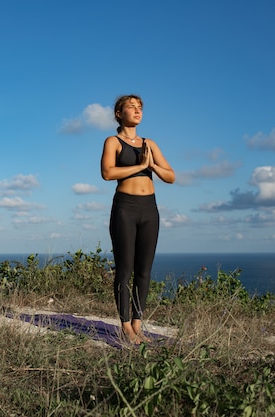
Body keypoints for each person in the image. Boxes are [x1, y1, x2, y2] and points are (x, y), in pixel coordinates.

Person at [100, 94, 175, 344]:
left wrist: (150, 165)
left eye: (140, 107)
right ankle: (125, 327)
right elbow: (108, 173)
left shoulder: (149, 144)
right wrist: (139, 165)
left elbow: (171, 176)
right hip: (125, 208)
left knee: (144, 270)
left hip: (149, 209)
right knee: (125, 270)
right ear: (119, 114)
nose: (137, 110)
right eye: (131, 107)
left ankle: (138, 324)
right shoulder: (113, 141)